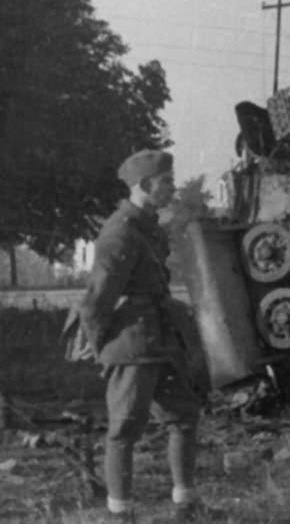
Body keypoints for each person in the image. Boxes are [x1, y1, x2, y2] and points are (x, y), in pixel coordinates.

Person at [77, 149, 217, 522]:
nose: (172, 187)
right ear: (143, 186)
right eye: (166, 182)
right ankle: (120, 513)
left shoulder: (146, 225)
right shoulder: (120, 231)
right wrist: (100, 346)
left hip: (159, 341)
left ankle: (186, 504)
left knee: (185, 415)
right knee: (124, 428)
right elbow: (96, 300)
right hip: (131, 346)